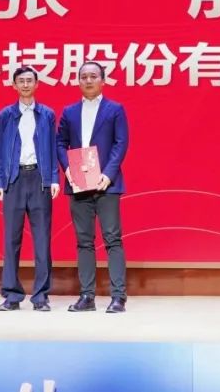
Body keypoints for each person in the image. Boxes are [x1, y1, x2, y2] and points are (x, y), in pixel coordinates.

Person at [56, 61, 130, 313]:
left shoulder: (115, 109)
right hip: (78, 184)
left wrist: (108, 174)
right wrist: (67, 169)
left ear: (103, 80)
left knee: (113, 239)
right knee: (84, 242)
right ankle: (87, 296)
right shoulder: (69, 112)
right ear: (78, 81)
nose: (88, 80)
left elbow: (121, 143)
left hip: (107, 184)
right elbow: (60, 142)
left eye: (93, 76)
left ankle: (118, 297)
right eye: (84, 76)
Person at [0, 66, 59, 311]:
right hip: (14, 179)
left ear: (37, 84)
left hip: (39, 179)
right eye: (21, 81)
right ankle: (12, 295)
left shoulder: (47, 114)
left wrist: (54, 178)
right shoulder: (5, 115)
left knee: (42, 240)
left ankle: (41, 296)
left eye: (30, 80)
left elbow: (52, 147)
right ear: (14, 85)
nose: (26, 85)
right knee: (11, 240)